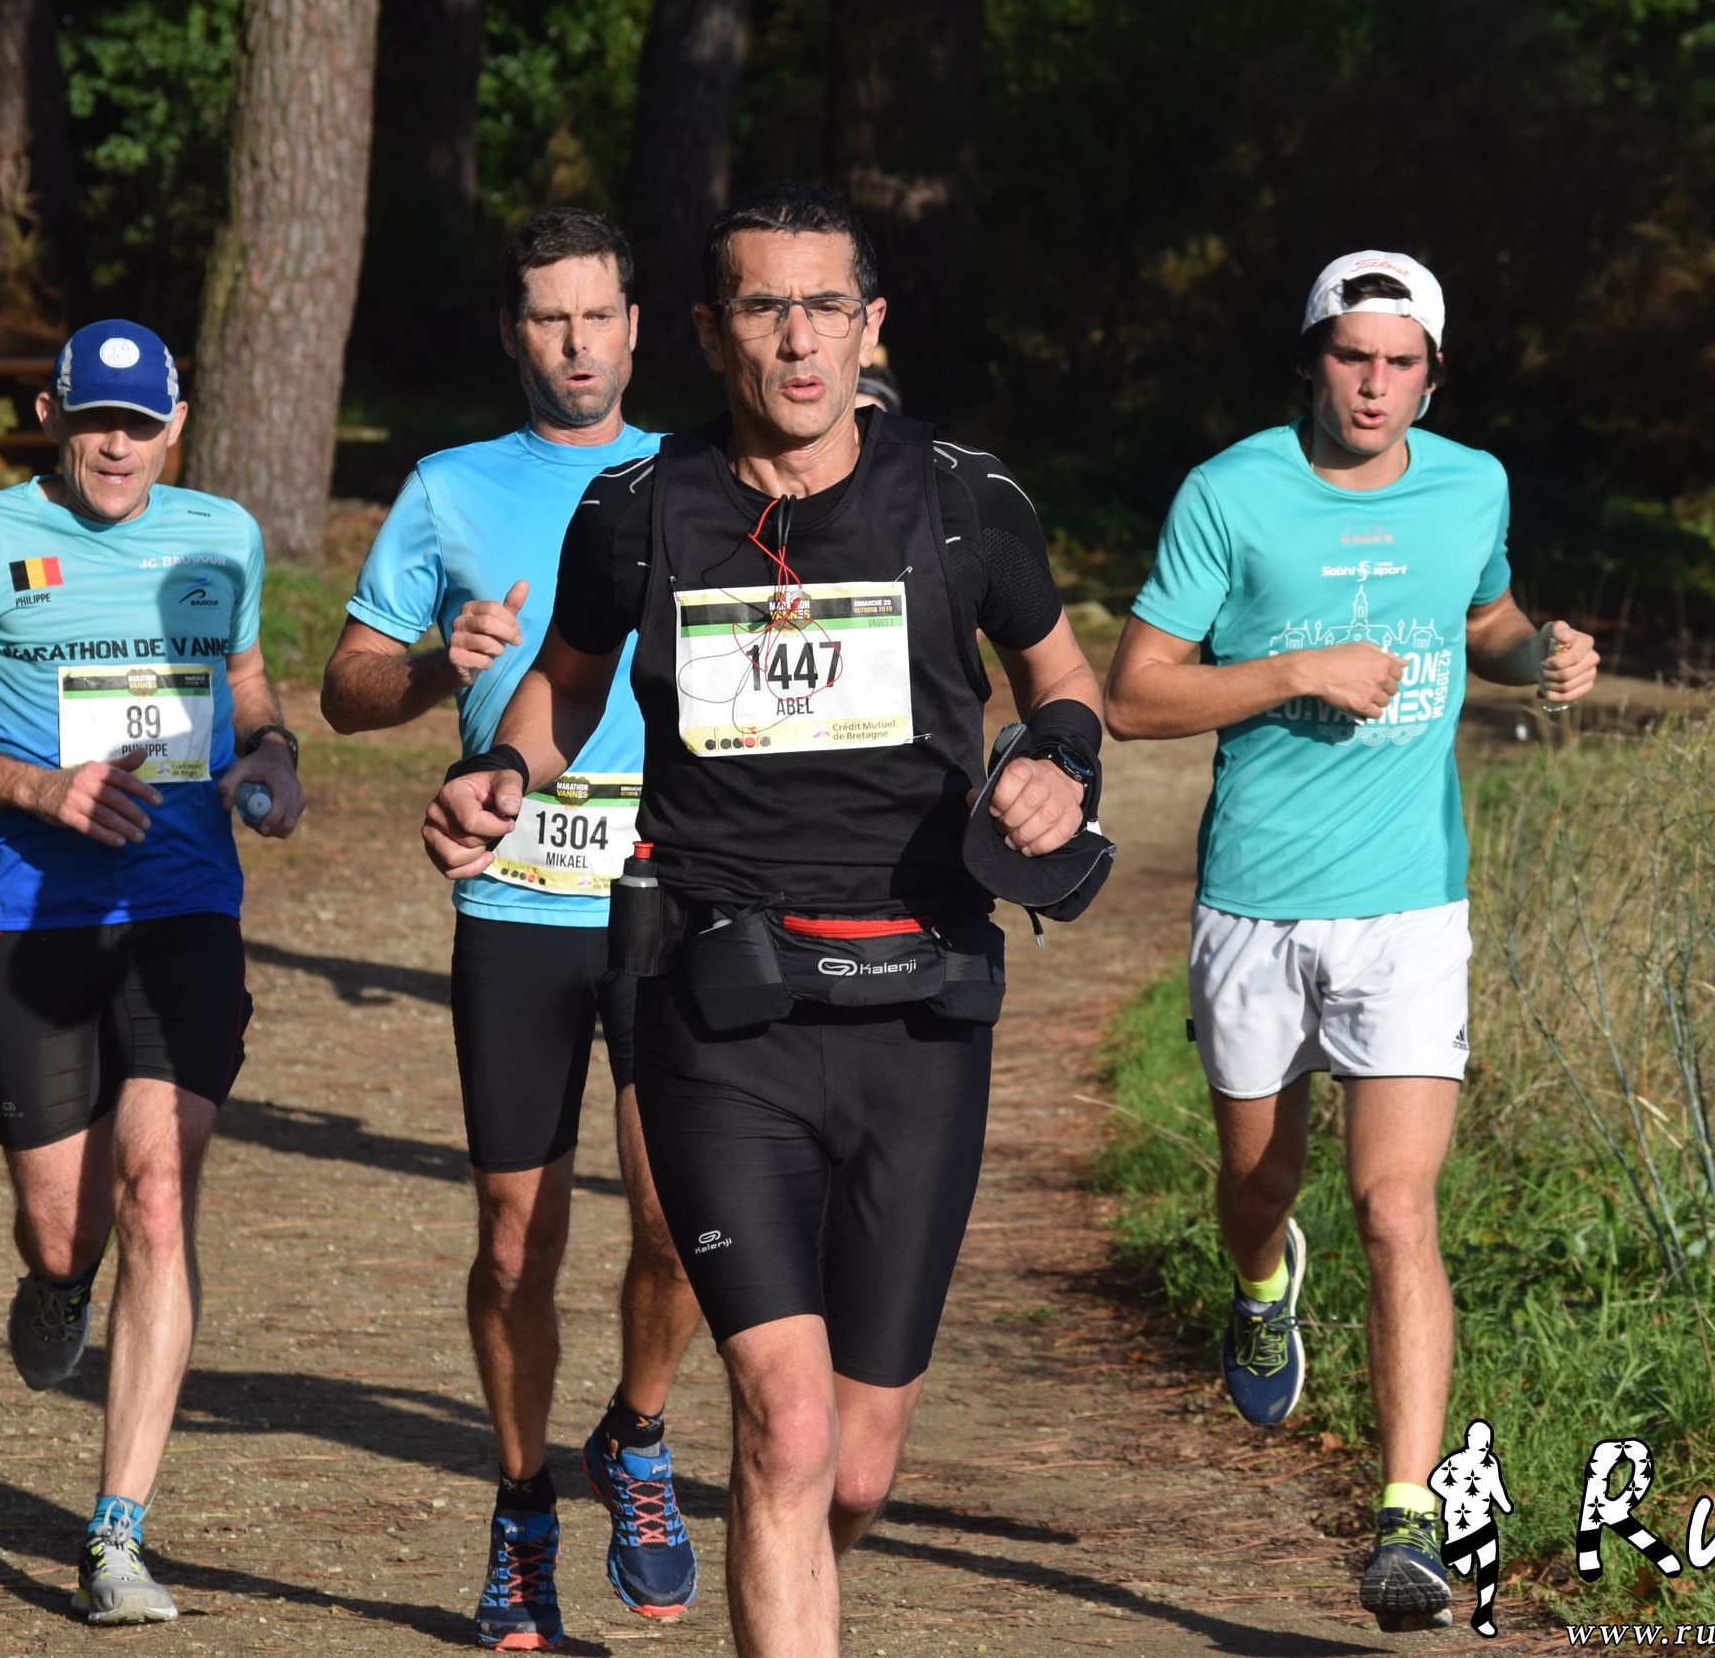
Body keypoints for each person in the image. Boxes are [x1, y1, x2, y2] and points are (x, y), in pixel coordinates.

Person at [420, 182, 1105, 1658]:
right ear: (709, 330)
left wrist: (1060, 762)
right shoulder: (638, 510)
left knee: (851, 1470)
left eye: (825, 306)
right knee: (785, 1429)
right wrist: (504, 773)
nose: (798, 340)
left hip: (921, 1007)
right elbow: (565, 684)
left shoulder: (964, 499)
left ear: (872, 323)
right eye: (763, 307)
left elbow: (1063, 678)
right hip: (719, 1008)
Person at [1100, 250, 1598, 1630]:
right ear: (1310, 360)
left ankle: (1407, 1519)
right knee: (1258, 1183)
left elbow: (1486, 620)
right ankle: (1260, 1283)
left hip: (1410, 905)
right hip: (1256, 900)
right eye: (1350, 356)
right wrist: (1294, 673)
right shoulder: (1231, 491)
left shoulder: (1474, 485)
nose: (1373, 385)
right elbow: (1132, 697)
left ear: (1432, 377)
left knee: (1393, 1206)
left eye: (1400, 364)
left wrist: (1543, 653)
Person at [0, 318, 306, 1624]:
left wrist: (271, 755)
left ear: (177, 427)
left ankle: (117, 1533)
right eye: (95, 421)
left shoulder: (222, 536)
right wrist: (37, 788)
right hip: (38, 921)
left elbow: (247, 681)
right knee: (70, 1229)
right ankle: (57, 1287)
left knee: (158, 1198)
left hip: (185, 909)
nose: (117, 446)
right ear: (53, 417)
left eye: (141, 424)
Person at [318, 207, 704, 1650]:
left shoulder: (697, 477)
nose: (577, 343)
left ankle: (640, 1436)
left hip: (672, 892)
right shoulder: (447, 491)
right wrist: (437, 668)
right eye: (550, 318)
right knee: (512, 1247)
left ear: (636, 329)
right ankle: (523, 1508)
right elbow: (344, 689)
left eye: (599, 315)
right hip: (517, 894)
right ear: (512, 334)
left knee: (679, 1221)